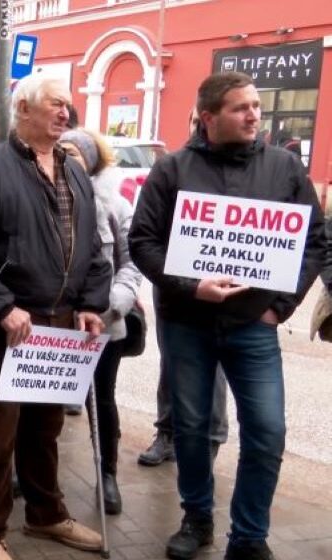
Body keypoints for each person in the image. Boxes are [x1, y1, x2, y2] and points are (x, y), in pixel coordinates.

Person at [129, 71, 325, 560]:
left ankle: (250, 536)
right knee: (192, 429)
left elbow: (315, 242)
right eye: (241, 108)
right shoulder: (172, 170)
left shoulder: (284, 168)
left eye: (256, 106)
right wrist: (191, 286)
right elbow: (143, 243)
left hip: (254, 326)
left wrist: (280, 308)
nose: (254, 115)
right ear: (208, 117)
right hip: (187, 323)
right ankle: (197, 518)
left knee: (267, 430)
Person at [0, 73, 111, 560]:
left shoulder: (73, 169)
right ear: (24, 109)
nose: (66, 113)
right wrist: (1, 306)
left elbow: (94, 247)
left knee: (46, 429)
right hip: (9, 328)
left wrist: (90, 303)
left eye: (68, 106)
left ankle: (46, 515)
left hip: (60, 323)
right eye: (56, 105)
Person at [139, 107, 229, 468]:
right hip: (175, 287)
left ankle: (210, 439)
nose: (199, 129)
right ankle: (166, 432)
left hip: (223, 290)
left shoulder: (244, 171)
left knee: (216, 368)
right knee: (172, 362)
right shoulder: (173, 168)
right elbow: (147, 233)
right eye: (194, 121)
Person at [59, 128, 142, 515]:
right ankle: (32, 473)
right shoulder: (48, 195)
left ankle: (106, 473)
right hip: (55, 322)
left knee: (101, 398)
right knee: (42, 402)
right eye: (61, 151)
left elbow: (132, 264)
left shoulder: (116, 204)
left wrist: (111, 306)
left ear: (91, 159)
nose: (65, 158)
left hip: (102, 324)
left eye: (73, 152)